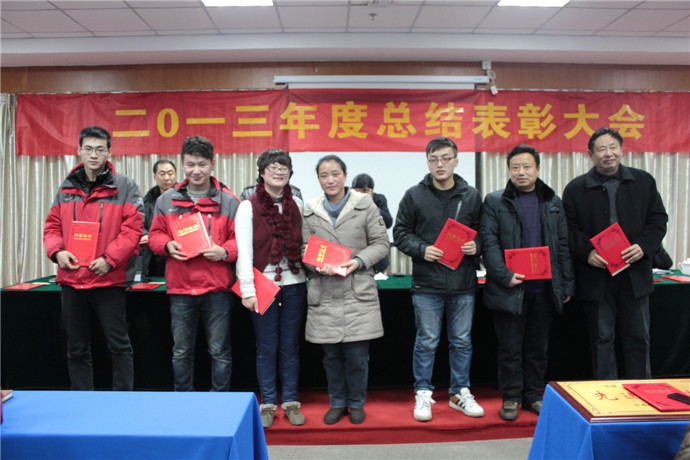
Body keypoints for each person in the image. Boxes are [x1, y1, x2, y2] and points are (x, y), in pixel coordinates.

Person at [562, 127, 668, 380]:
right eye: (601, 149)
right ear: (591, 155)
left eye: (613, 147)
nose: (608, 154)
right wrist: (587, 253)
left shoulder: (643, 181)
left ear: (622, 150)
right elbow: (568, 229)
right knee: (602, 338)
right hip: (597, 276)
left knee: (638, 337)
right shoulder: (576, 188)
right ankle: (606, 392)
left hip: (634, 274)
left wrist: (643, 246)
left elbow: (658, 219)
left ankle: (641, 390)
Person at [43, 126, 143, 391]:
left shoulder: (125, 186)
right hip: (72, 280)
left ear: (109, 152)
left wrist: (110, 259)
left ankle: (122, 398)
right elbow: (52, 226)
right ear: (79, 151)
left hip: (108, 279)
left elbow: (133, 229)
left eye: (100, 149)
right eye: (88, 148)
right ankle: (81, 399)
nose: (94, 154)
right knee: (76, 348)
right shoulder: (66, 186)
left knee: (119, 345)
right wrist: (57, 252)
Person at [479, 144, 574, 421]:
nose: (521, 172)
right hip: (510, 289)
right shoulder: (495, 201)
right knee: (510, 348)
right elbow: (489, 243)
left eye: (527, 167)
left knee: (538, 348)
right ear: (509, 170)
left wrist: (566, 283)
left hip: (544, 289)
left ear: (538, 169)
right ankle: (511, 397)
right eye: (515, 167)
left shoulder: (553, 202)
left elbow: (563, 245)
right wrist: (504, 275)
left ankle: (534, 395)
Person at [393, 136, 485, 422]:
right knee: (427, 341)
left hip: (463, 282)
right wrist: (422, 249)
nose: (439, 164)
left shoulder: (471, 195)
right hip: (427, 282)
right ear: (428, 162)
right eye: (433, 160)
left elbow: (485, 231)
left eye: (445, 159)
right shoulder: (414, 195)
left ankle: (460, 392)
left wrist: (477, 245)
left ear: (456, 161)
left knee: (462, 341)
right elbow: (400, 233)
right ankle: (423, 392)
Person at [301, 154, 389, 425]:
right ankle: (337, 402)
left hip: (357, 291)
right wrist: (316, 264)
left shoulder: (365, 205)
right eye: (324, 175)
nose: (330, 180)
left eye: (335, 174)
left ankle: (357, 402)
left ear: (345, 176)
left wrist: (358, 261)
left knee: (357, 357)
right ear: (318, 179)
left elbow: (381, 244)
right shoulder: (310, 209)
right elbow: (303, 247)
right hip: (325, 291)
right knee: (331, 357)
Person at [148, 136, 240, 391]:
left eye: (202, 164)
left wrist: (224, 251)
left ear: (212, 164)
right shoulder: (166, 200)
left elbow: (241, 241)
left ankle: (220, 400)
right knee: (181, 351)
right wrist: (167, 245)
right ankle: (183, 400)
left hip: (217, 289)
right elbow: (154, 235)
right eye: (190, 165)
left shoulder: (229, 201)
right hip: (181, 289)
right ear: (182, 164)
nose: (196, 171)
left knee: (219, 351)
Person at [235, 149, 307, 428]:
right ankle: (267, 403)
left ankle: (290, 402)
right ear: (262, 173)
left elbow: (304, 242)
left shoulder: (296, 202)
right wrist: (248, 290)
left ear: (290, 173)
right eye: (273, 168)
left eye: (283, 168)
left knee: (290, 346)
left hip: (295, 284)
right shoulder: (247, 206)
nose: (278, 172)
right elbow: (244, 252)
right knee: (266, 347)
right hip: (262, 284)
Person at [140, 159, 177, 277]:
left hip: (178, 251)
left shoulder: (184, 197)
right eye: (162, 174)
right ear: (155, 177)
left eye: (170, 173)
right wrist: (145, 234)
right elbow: (139, 223)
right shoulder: (147, 200)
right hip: (155, 255)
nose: (167, 178)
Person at [351, 173, 393, 273]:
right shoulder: (347, 201)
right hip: (355, 252)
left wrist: (371, 204)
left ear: (371, 191)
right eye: (359, 192)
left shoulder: (379, 199)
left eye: (366, 191)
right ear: (352, 190)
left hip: (377, 255)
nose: (362, 195)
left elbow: (388, 222)